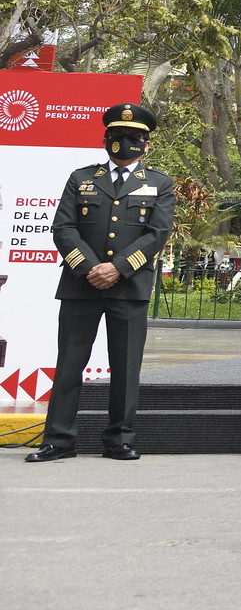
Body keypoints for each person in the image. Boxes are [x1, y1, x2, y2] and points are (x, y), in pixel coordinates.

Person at [27, 103, 174, 463]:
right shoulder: (82, 178)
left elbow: (157, 233)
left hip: (130, 287)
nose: (125, 142)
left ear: (146, 143)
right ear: (105, 139)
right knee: (69, 364)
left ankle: (119, 440)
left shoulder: (159, 183)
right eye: (118, 136)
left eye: (134, 137)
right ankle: (58, 441)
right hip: (81, 285)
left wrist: (118, 268)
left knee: (125, 368)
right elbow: (63, 228)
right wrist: (92, 268)